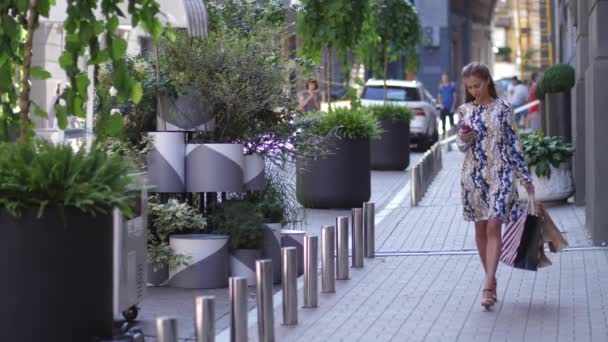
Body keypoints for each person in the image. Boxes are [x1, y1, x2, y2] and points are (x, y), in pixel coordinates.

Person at [456, 62, 535, 310]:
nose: (474, 91)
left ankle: (488, 285)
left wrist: (524, 176)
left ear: (488, 81)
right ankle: (491, 276)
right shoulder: (464, 110)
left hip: (500, 174)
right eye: (469, 87)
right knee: (480, 229)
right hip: (474, 176)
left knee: (494, 224)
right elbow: (460, 146)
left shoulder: (504, 108)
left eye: (477, 85)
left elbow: (514, 143)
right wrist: (464, 138)